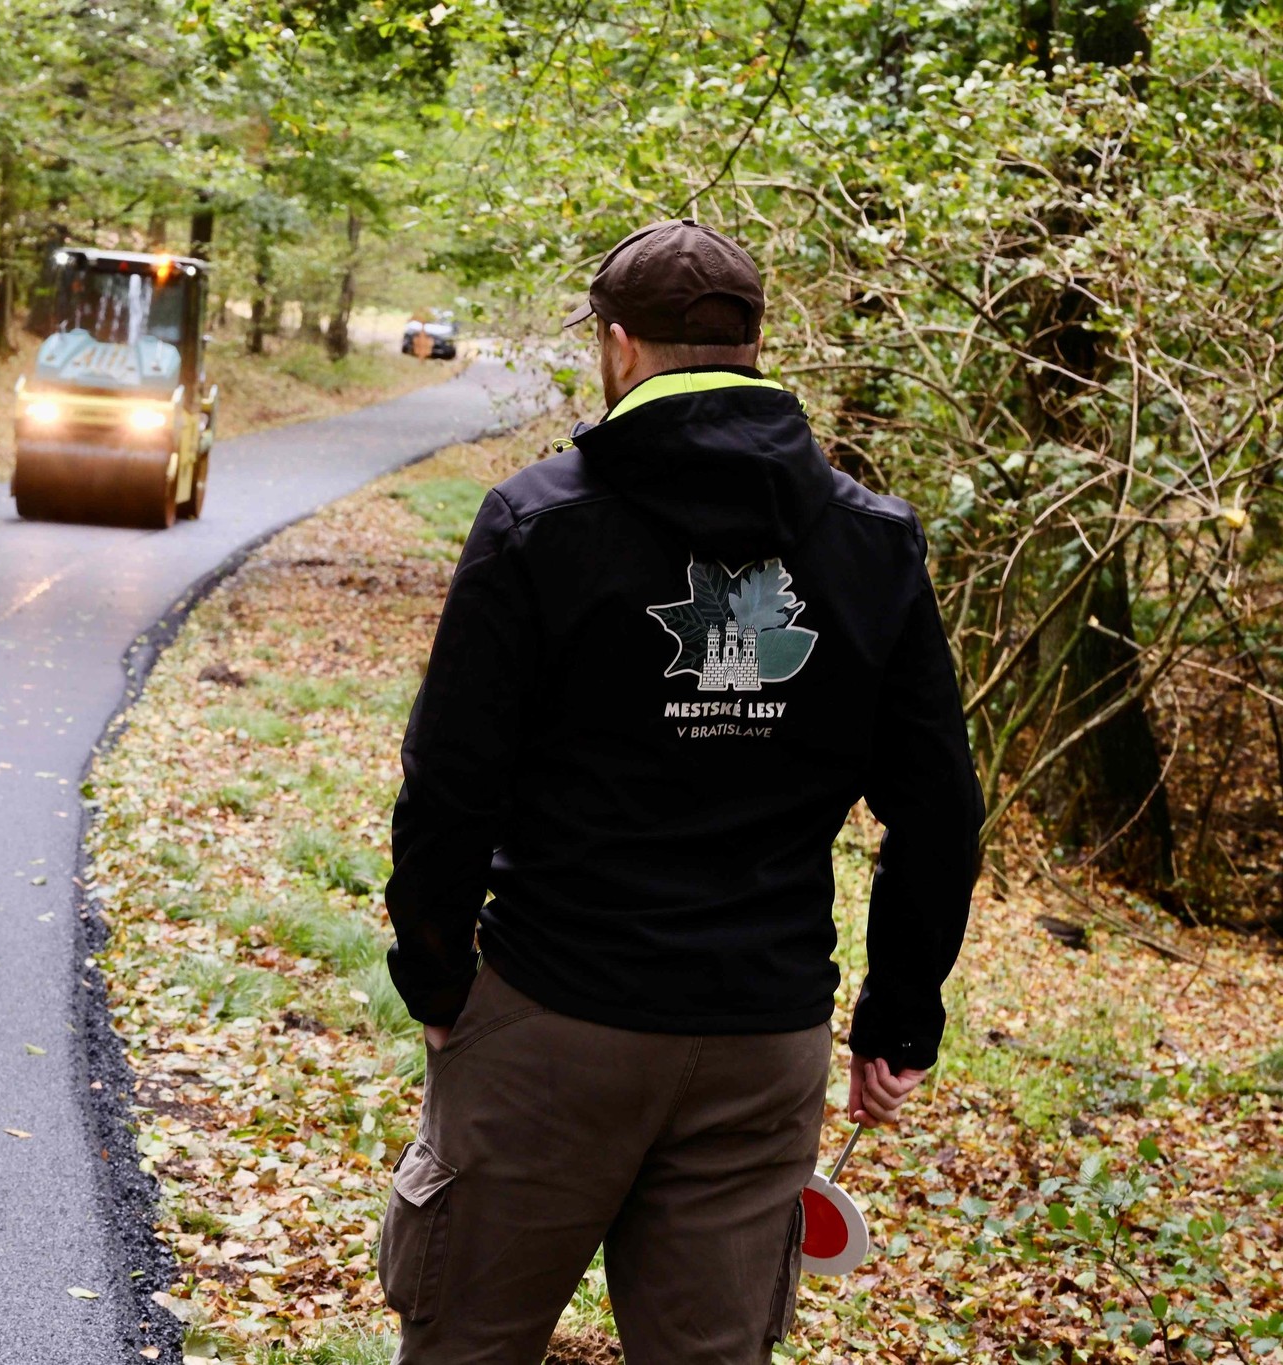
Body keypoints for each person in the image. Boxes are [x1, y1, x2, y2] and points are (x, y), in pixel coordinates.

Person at [378, 219, 983, 1364]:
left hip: (551, 1021)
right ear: (755, 346)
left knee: (467, 1342)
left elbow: (450, 783)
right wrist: (897, 1015)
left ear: (615, 347)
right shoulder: (871, 542)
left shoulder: (536, 523)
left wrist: (436, 973)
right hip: (760, 1039)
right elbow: (938, 806)